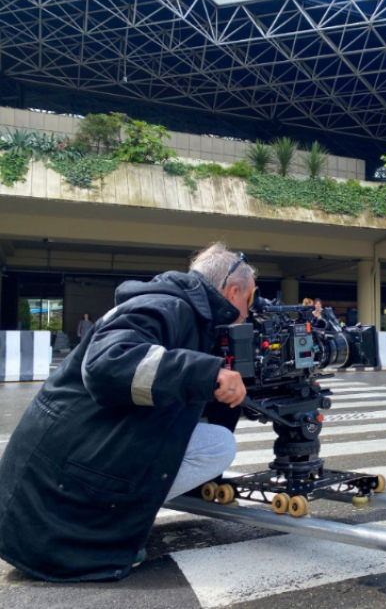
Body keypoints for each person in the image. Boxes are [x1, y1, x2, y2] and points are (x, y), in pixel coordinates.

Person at [0, 243, 256, 582]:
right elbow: (108, 364)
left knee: (206, 428)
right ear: (233, 290)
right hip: (58, 496)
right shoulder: (168, 306)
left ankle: (120, 518)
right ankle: (110, 527)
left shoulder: (180, 308)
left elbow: (168, 384)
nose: (249, 312)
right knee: (218, 445)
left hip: (63, 466)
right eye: (250, 300)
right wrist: (207, 374)